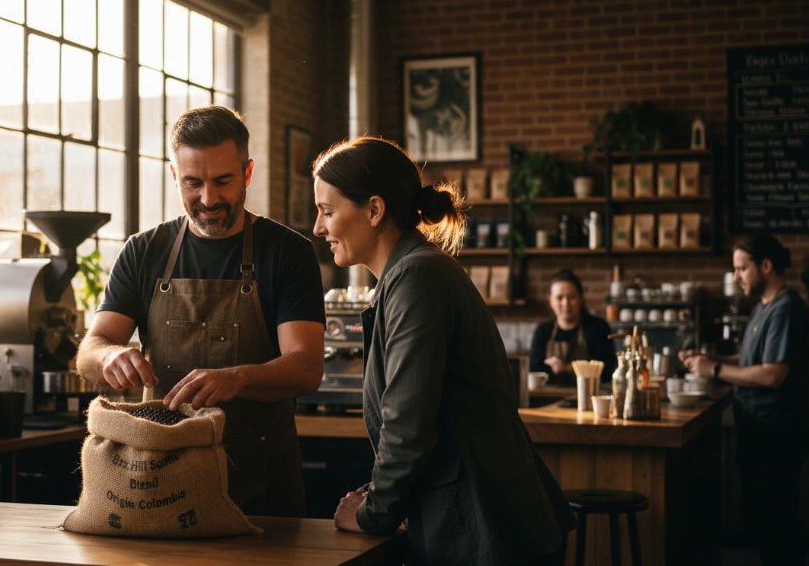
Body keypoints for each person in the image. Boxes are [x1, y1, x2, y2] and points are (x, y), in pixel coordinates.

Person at [314, 136, 574, 565]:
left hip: (487, 530)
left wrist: (373, 513)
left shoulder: (416, 279)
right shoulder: (408, 275)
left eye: (327, 211)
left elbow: (408, 423)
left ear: (375, 210)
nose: (318, 227)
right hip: (479, 521)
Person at [76, 106, 326, 517]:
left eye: (223, 181)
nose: (208, 199)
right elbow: (90, 351)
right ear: (175, 176)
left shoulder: (287, 253)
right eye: (193, 182)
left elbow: (305, 366)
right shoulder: (143, 251)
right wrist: (110, 355)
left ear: (246, 173)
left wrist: (238, 377)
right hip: (161, 479)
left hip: (260, 484)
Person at [681, 234, 809, 566]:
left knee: (777, 525)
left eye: (742, 268)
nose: (736, 276)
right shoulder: (764, 307)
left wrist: (716, 369)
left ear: (766, 266)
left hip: (776, 436)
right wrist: (708, 358)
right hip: (757, 434)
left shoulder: (787, 308)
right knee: (762, 523)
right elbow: (752, 359)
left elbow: (772, 374)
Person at [529, 269, 616, 384]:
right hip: (549, 398)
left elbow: (608, 370)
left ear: (580, 298)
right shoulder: (543, 331)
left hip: (589, 397)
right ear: (550, 301)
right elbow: (534, 370)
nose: (566, 303)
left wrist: (567, 368)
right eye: (559, 298)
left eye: (572, 297)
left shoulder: (598, 328)